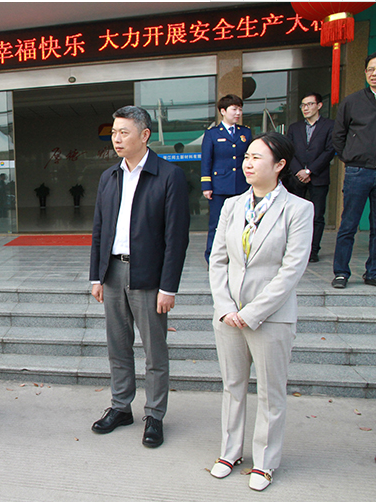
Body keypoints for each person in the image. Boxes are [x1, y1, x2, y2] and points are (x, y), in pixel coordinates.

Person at [209, 132, 313, 491]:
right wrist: (225, 307)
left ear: (280, 165)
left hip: (271, 317)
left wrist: (252, 312)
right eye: (246, 157)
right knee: (233, 386)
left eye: (257, 158)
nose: (248, 163)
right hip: (229, 316)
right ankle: (230, 451)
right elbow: (217, 260)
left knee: (271, 392)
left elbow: (291, 270)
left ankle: (265, 461)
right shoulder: (232, 205)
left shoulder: (298, 210)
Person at [89, 106, 190, 448]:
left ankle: (155, 415)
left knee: (154, 352)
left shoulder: (169, 176)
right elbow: (99, 230)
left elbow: (176, 238)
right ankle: (120, 407)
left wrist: (168, 287)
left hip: (149, 275)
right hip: (113, 272)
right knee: (118, 346)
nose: (117, 139)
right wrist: (96, 276)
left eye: (124, 132)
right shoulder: (109, 177)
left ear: (145, 135)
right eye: (114, 133)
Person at [331, 53, 376, 289]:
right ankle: (341, 272)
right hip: (358, 171)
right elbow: (338, 136)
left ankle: (373, 272)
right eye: (370, 69)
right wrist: (349, 158)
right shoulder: (352, 101)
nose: (374, 74)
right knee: (348, 224)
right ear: (365, 73)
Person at [285, 92, 335, 263]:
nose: (305, 108)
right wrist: (299, 170)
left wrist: (310, 171)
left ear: (319, 105)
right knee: (295, 216)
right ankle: (296, 249)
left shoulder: (330, 126)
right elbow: (288, 151)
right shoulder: (294, 127)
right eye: (303, 105)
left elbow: (330, 150)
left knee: (317, 216)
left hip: (318, 177)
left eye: (310, 104)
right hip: (296, 178)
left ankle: (313, 251)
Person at [201, 94, 251, 263]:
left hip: (241, 185)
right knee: (216, 224)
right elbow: (206, 160)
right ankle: (212, 257)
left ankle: (238, 256)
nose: (238, 113)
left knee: (242, 223)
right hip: (219, 186)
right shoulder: (212, 134)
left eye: (240, 109)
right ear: (223, 111)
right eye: (234, 109)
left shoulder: (245, 132)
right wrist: (206, 185)